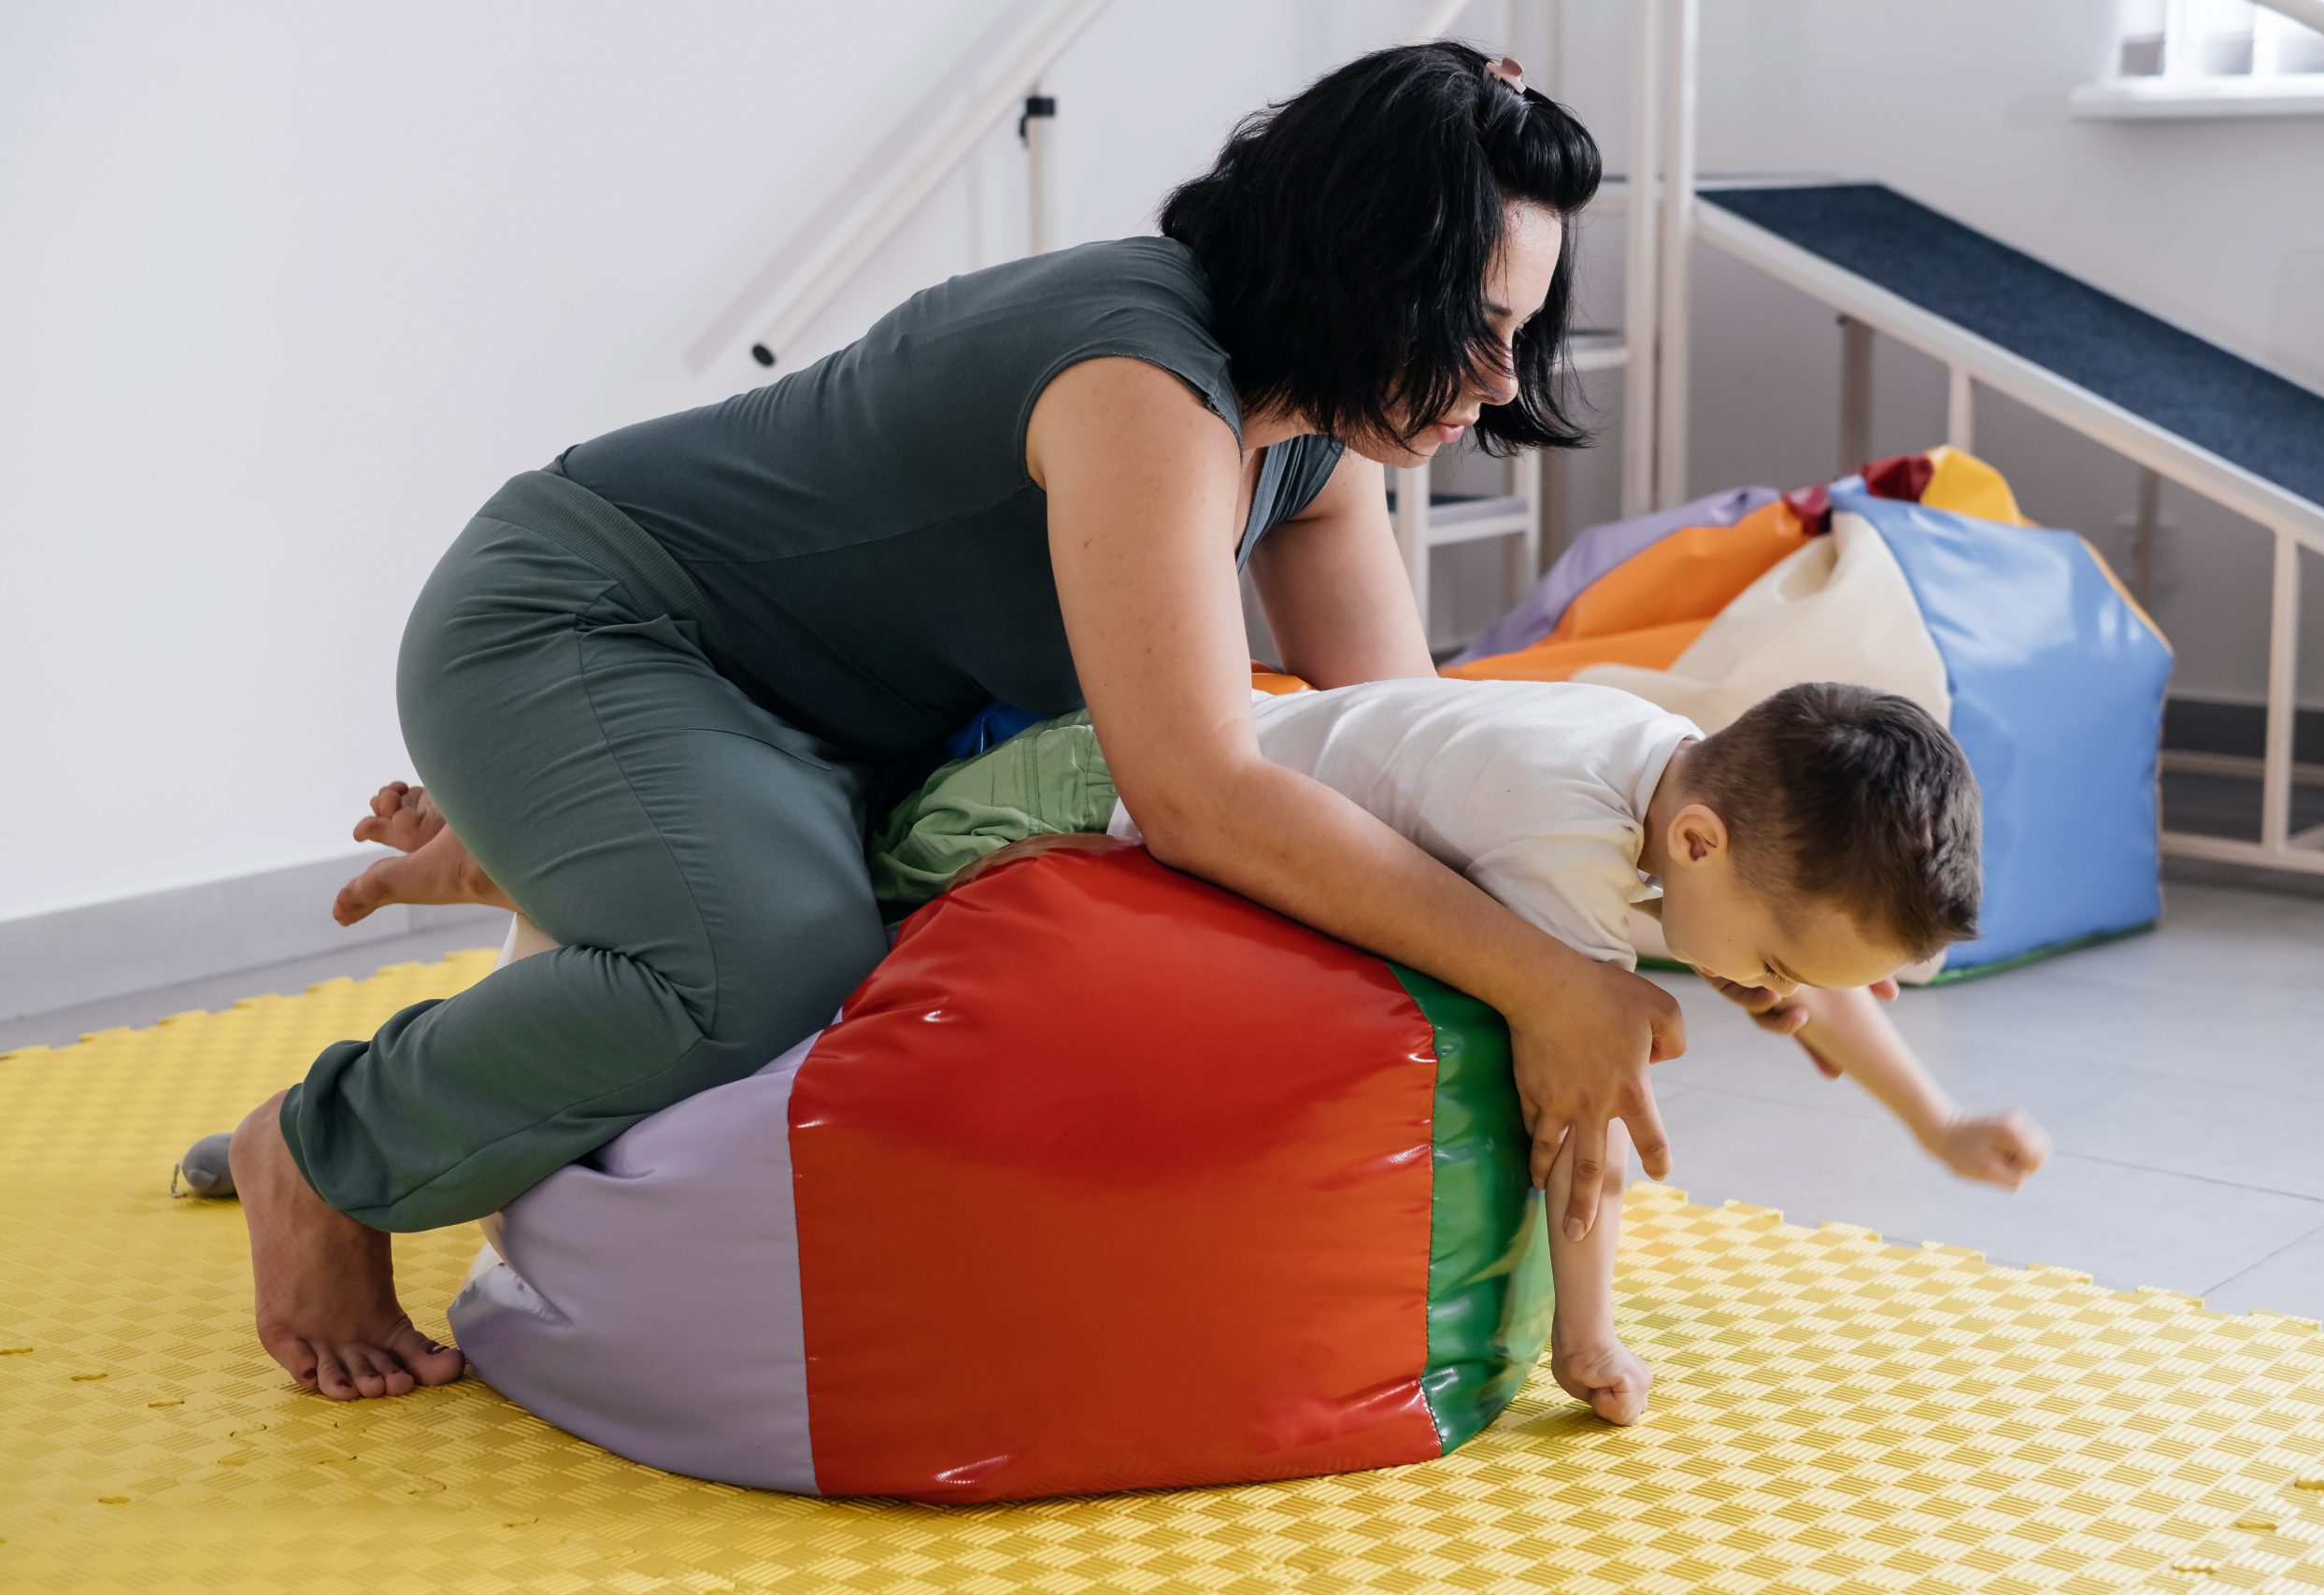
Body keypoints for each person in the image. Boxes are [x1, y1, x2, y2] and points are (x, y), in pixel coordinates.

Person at [227, 43, 1691, 1403]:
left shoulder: (1313, 434)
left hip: (835, 736)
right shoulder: (1141, 388)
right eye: (1472, 325)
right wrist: (1549, 985)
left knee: (968, 882)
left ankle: (538, 858)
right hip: (591, 623)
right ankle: (324, 1151)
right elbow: (1199, 792)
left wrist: (1713, 914)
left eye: (1521, 331)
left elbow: (1401, 753)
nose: (1501, 380)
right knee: (778, 963)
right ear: (1358, 269)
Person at [350, 676, 2053, 1427]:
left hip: (1225, 763)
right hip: (1082, 799)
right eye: (1762, 964)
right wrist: (1583, 1341)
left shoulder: (1694, 784)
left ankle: (512, 856)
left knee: (825, 871)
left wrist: (1936, 1124)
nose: (1769, 1001)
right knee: (813, 929)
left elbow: (1817, 980)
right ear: (1690, 854)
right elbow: (1574, 1118)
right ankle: (517, 855)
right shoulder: (1559, 845)